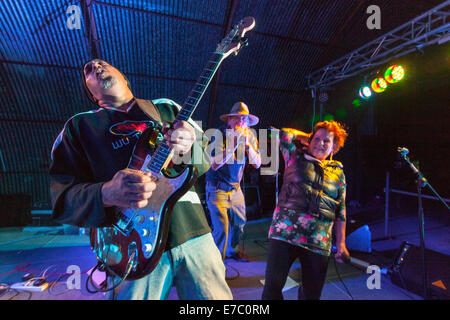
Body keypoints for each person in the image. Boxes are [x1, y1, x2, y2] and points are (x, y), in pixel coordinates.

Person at [49, 59, 232, 300]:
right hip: (129, 249)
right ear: (92, 94)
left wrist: (190, 146)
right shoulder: (79, 126)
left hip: (193, 233)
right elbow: (62, 197)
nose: (95, 66)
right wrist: (106, 192)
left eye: (102, 63)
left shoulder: (166, 108)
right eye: (88, 70)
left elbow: (206, 158)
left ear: (124, 78)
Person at [262, 120, 349, 300]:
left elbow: (341, 209)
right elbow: (284, 133)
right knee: (272, 287)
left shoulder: (338, 172)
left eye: (327, 141)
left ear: (335, 147)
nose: (321, 144)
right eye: (317, 139)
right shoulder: (294, 155)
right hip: (285, 233)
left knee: (311, 294)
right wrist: (308, 137)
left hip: (319, 240)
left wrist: (341, 244)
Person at [205, 102, 261, 261]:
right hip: (217, 189)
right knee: (222, 229)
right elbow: (214, 164)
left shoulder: (249, 136)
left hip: (235, 189)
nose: (241, 122)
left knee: (239, 224)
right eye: (237, 119)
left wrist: (248, 146)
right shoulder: (219, 134)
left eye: (244, 120)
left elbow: (257, 163)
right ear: (229, 120)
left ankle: (231, 251)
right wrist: (234, 144)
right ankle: (216, 264)